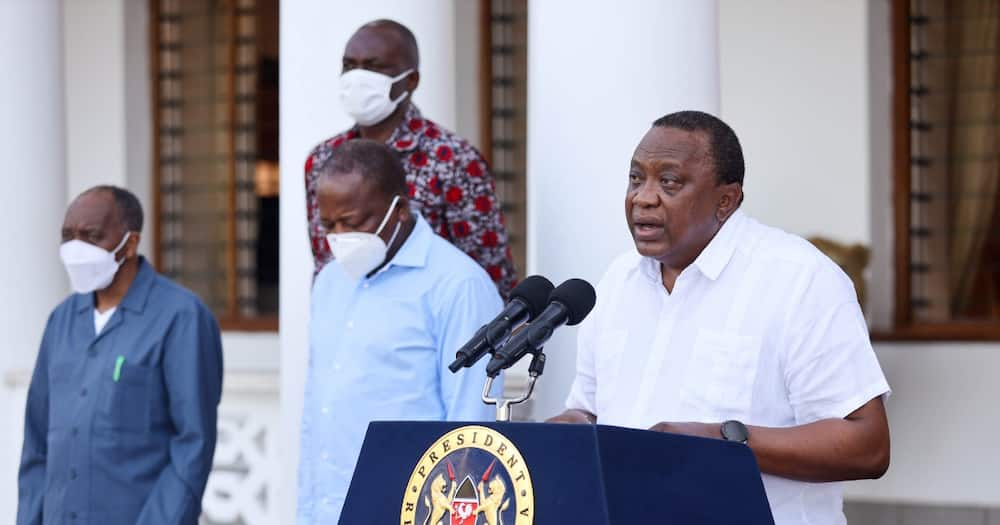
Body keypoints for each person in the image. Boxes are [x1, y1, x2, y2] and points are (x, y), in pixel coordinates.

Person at [548, 111, 890, 525]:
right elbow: (592, 411)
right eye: (636, 178)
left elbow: (866, 445)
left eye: (669, 181)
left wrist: (726, 439)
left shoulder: (799, 279)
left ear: (726, 200)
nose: (643, 197)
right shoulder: (617, 281)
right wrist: (570, 428)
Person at [297, 140, 502, 523]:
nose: (340, 236)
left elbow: (472, 425)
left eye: (353, 222)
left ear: (400, 210)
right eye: (329, 225)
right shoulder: (328, 282)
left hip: (409, 509)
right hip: (328, 510)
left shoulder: (458, 286)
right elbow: (318, 412)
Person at [18, 186, 223, 525]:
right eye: (68, 236)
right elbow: (37, 443)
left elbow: (192, 446)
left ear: (129, 243)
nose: (76, 248)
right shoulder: (61, 321)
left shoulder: (181, 318)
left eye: (92, 236)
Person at [304, 18, 517, 297]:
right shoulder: (323, 160)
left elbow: (489, 271)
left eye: (373, 66)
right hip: (352, 321)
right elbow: (326, 262)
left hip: (433, 326)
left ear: (411, 79)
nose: (357, 77)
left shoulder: (453, 159)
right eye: (349, 65)